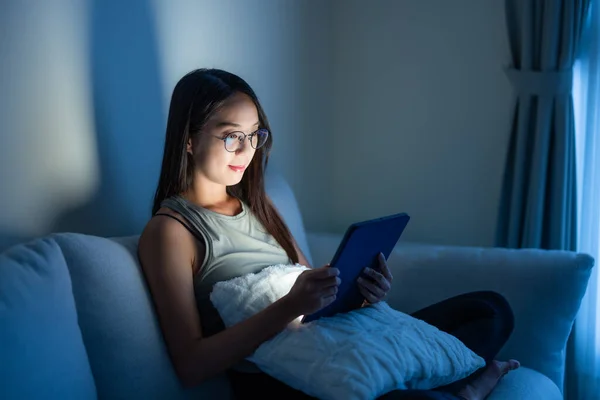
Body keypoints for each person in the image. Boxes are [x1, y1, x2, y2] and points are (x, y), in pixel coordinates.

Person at [138, 68, 520, 400]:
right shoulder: (171, 231)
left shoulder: (261, 208)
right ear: (188, 140)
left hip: (330, 347)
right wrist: (289, 306)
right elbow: (191, 365)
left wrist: (362, 295)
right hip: (280, 381)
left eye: (255, 135)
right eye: (231, 135)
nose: (246, 150)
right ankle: (463, 390)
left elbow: (318, 302)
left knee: (491, 310)